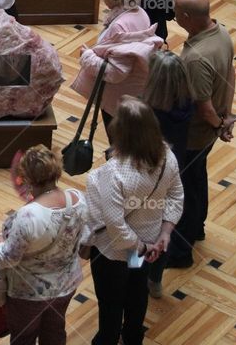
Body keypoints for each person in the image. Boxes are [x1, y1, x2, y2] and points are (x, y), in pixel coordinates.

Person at [84, 97, 184, 345]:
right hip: (147, 243)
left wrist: (141, 247)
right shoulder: (167, 156)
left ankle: (107, 339)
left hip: (113, 253)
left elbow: (116, 227)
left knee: (111, 300)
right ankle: (132, 336)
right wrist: (165, 233)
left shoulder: (107, 174)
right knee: (137, 292)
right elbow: (176, 195)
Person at [0, 146, 89, 345]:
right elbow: (85, 238)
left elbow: (8, 259)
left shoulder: (28, 216)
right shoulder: (78, 199)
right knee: (54, 333)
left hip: (28, 293)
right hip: (66, 286)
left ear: (26, 178)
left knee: (23, 338)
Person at [168, 0, 236, 269]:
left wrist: (220, 123)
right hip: (208, 131)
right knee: (197, 180)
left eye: (175, 11)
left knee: (183, 191)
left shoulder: (196, 58)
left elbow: (203, 106)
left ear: (185, 16)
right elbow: (230, 74)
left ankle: (181, 252)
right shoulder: (221, 33)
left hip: (193, 134)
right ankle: (197, 229)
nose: (172, 15)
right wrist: (227, 116)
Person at [71, 0, 163, 132]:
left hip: (118, 98)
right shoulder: (140, 12)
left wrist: (87, 56)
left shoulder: (120, 25)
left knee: (119, 141)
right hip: (134, 91)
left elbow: (116, 73)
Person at [139, 51, 193, 298]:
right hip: (174, 173)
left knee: (140, 228)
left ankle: (135, 273)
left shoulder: (147, 112)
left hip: (144, 178)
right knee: (164, 229)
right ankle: (155, 279)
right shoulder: (186, 103)